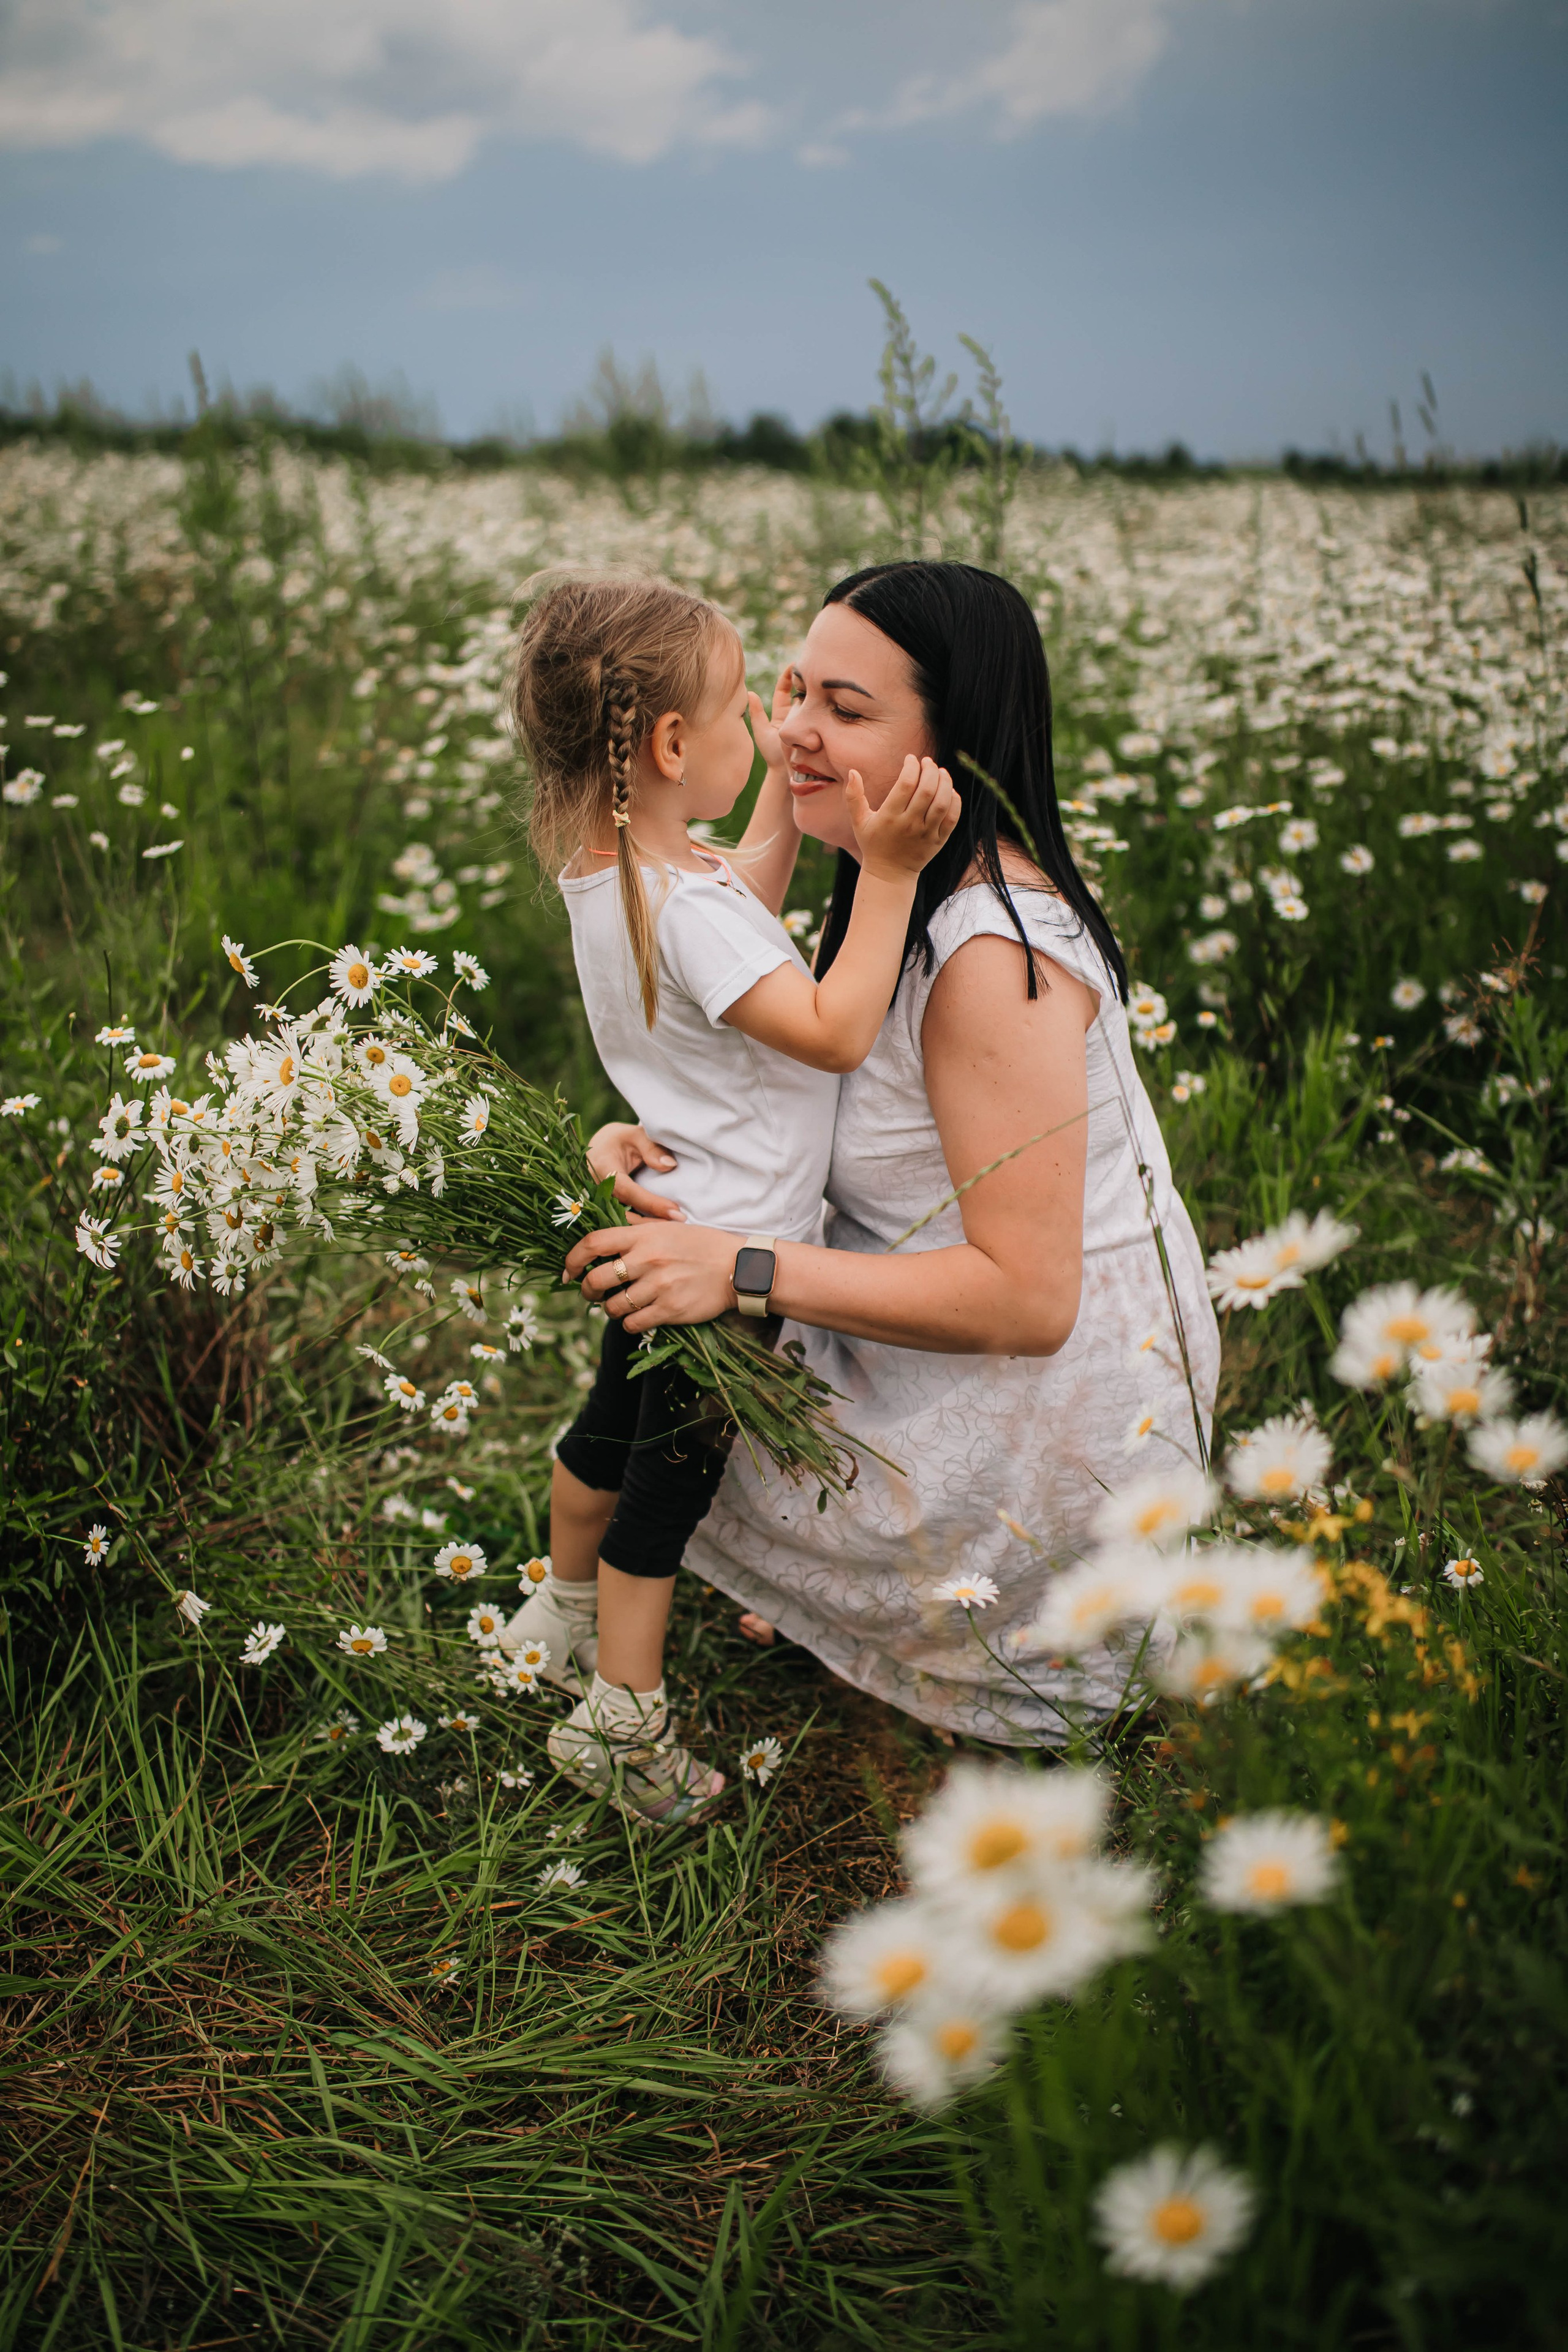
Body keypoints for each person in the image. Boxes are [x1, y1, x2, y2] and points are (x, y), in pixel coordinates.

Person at [564, 561, 1222, 1748]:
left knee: (686, 1378)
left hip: (1049, 1434)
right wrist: (659, 1142)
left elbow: (1029, 1301)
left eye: (845, 712)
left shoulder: (986, 954)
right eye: (792, 691)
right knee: (672, 1384)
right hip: (919, 1331)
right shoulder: (876, 877)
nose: (791, 737)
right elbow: (760, 1074)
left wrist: (742, 1265)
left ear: (950, 749)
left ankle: (876, 1605)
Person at [501, 573, 959, 1820]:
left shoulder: (625, 875)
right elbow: (825, 1029)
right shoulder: (683, 907)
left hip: (665, 1222)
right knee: (665, 1493)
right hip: (724, 1255)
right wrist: (886, 873)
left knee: (603, 1429)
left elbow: (737, 905)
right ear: (663, 746)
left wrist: (770, 789)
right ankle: (622, 1722)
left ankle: (556, 1609)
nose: (765, 719)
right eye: (737, 709)